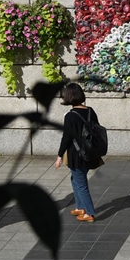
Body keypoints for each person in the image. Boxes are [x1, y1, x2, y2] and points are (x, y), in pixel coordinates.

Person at [53, 83, 101, 223]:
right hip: (90, 153)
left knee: (81, 183)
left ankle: (89, 213)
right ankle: (80, 207)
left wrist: (59, 155)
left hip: (77, 155)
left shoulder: (70, 116)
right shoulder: (91, 111)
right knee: (76, 179)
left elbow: (66, 138)